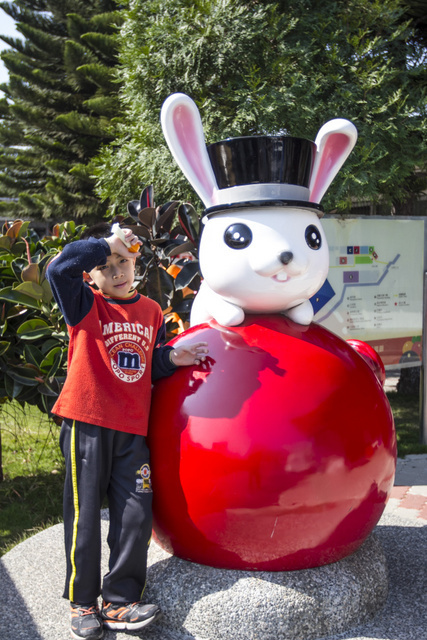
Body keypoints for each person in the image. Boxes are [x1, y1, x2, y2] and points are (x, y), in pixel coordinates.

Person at [46, 223, 208, 640]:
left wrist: (174, 357)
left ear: (135, 261)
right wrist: (105, 244)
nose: (116, 270)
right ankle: (82, 602)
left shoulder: (152, 311)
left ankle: (119, 602)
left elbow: (146, 365)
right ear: (92, 276)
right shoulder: (84, 304)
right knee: (84, 520)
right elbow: (58, 269)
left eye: (123, 260)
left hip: (132, 430)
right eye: (106, 265)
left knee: (136, 513)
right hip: (88, 423)